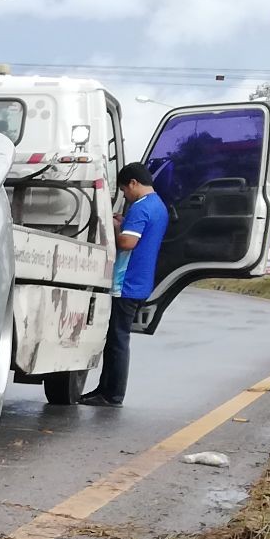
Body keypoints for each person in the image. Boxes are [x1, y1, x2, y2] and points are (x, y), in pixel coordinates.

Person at [82, 162, 169, 407]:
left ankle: (112, 394)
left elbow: (128, 243)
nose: (124, 195)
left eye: (124, 189)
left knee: (117, 340)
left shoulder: (140, 208)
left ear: (133, 183)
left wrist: (116, 227)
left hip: (126, 282)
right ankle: (105, 389)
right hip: (140, 281)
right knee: (115, 339)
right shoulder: (158, 206)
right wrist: (125, 222)